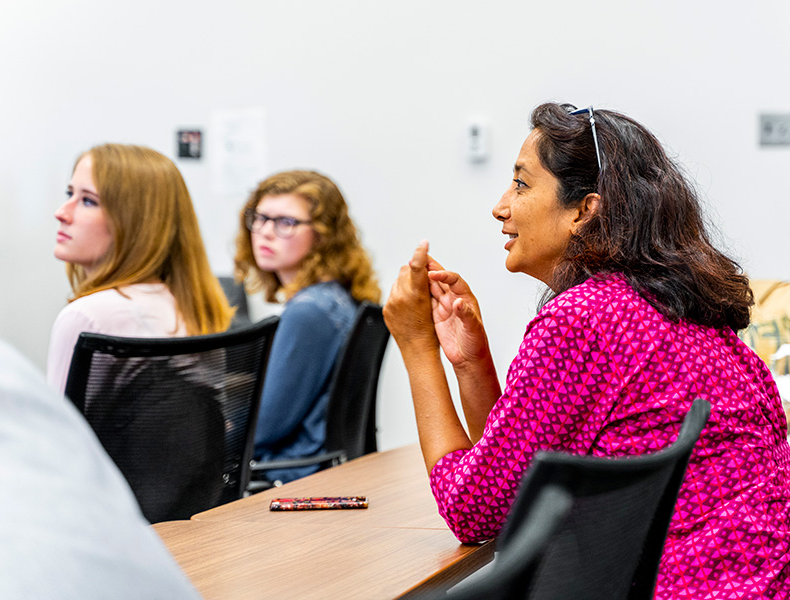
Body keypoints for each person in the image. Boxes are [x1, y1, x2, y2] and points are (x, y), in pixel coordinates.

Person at [384, 103, 790, 598]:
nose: (500, 206)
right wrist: (471, 362)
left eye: (521, 184)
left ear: (583, 210)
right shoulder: (683, 310)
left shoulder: (584, 318)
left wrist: (415, 345)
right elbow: (519, 483)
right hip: (754, 574)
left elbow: (473, 511)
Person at [0, 334, 201, 599]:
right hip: (189, 496)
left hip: (128, 495)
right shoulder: (196, 303)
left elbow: (65, 412)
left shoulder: (82, 315)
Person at [47, 144, 233, 393]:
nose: (61, 213)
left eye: (88, 201)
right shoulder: (192, 307)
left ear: (135, 224)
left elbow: (56, 430)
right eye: (69, 194)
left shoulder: (86, 317)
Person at [233, 169, 380, 484]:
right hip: (317, 472)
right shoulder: (335, 298)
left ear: (323, 236)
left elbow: (264, 428)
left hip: (287, 476)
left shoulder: (309, 312)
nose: (265, 232)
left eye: (286, 222)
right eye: (260, 218)